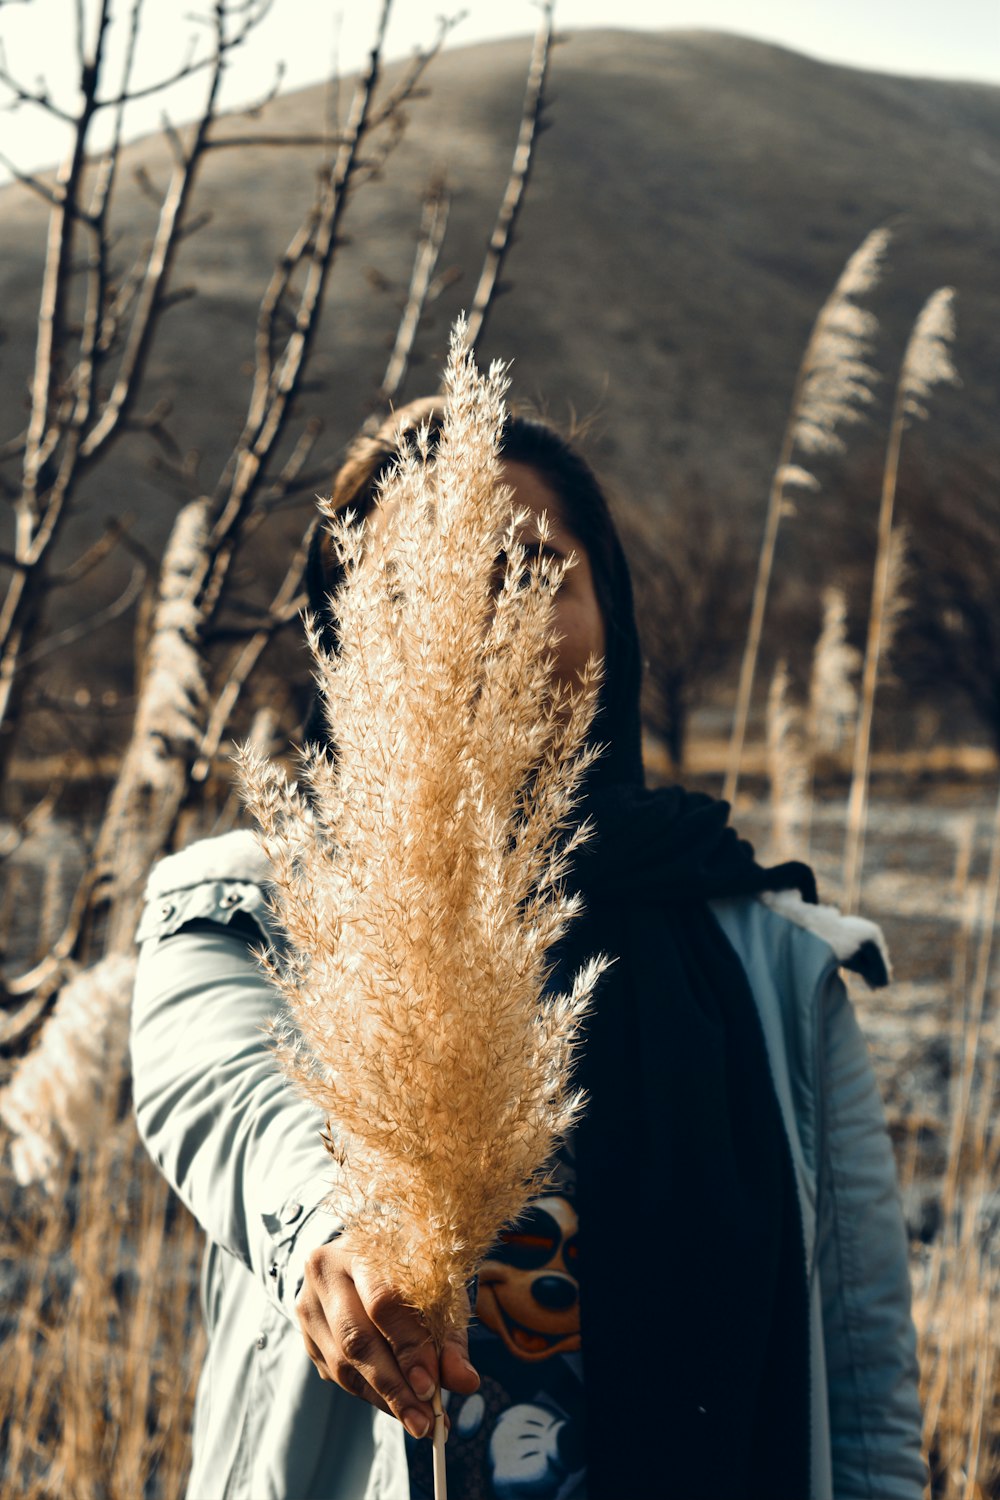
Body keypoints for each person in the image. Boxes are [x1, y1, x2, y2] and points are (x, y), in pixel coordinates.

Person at [131, 399, 925, 1500]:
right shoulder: (245, 912)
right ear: (342, 638)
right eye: (411, 588)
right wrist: (332, 1231)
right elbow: (225, 1100)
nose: (475, 617)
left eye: (530, 570)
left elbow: (863, 1382)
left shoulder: (772, 963)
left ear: (612, 616)